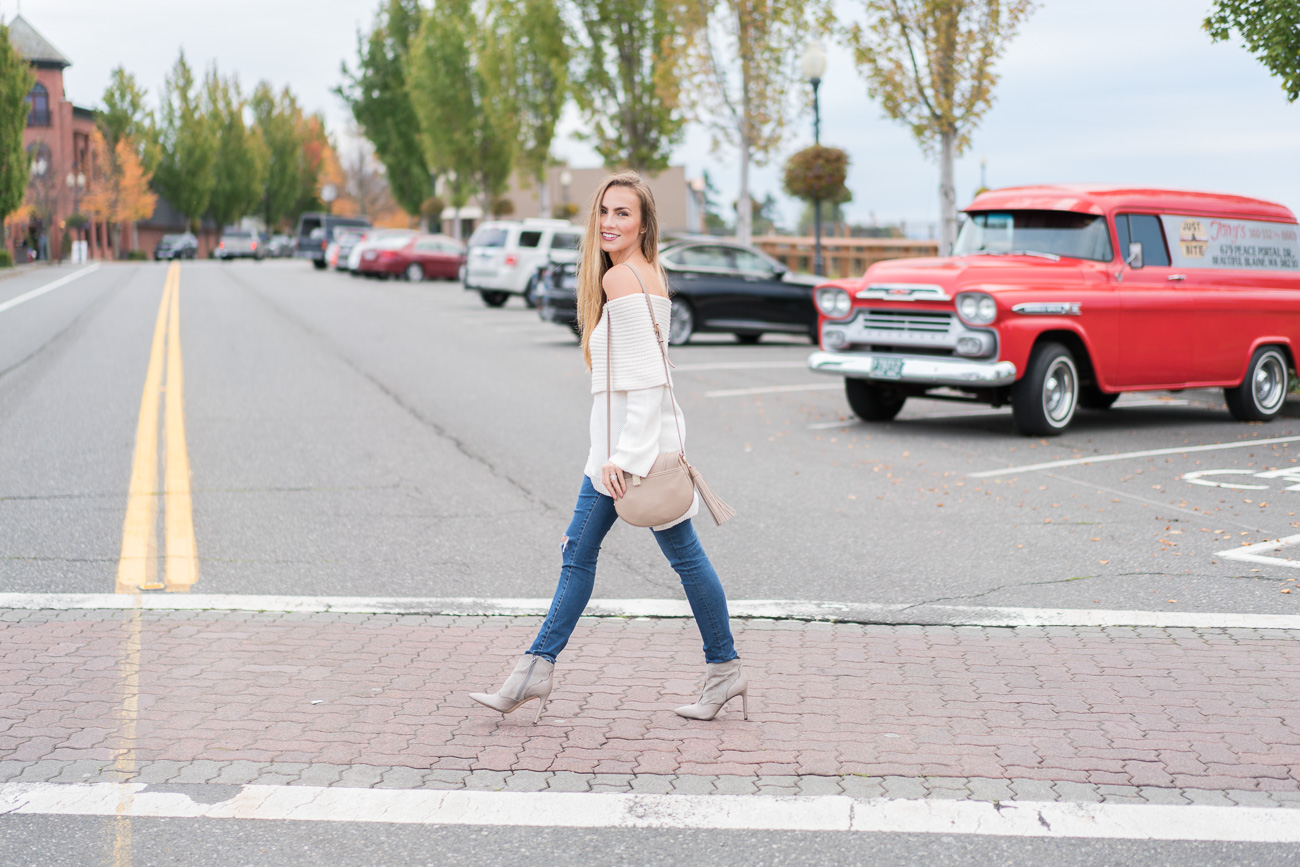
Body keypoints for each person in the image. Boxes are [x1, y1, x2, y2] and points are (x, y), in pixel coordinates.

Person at [469, 171, 747, 724]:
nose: (609, 223)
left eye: (623, 213)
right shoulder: (644, 275)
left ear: (644, 223)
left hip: (626, 457)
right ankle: (725, 670)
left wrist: (622, 458)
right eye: (603, 212)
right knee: (680, 559)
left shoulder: (625, 281)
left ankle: (533, 670)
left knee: (582, 557)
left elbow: (646, 382)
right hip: (629, 449)